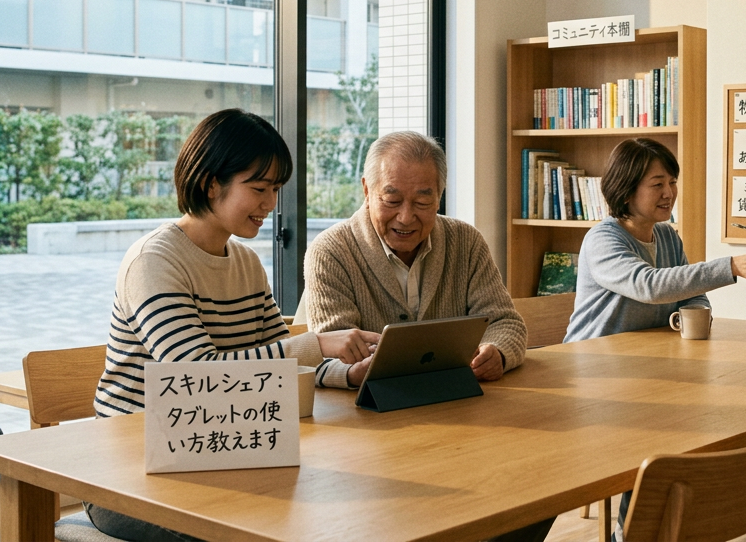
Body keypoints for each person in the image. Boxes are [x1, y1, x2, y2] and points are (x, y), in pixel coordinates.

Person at [91, 109, 380, 541]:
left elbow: (280, 362)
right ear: (211, 183)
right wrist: (319, 344)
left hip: (223, 448)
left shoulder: (245, 262)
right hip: (134, 471)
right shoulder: (154, 260)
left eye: (276, 189)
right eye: (259, 188)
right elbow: (194, 371)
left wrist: (346, 371)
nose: (270, 203)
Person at [301, 131, 548, 542]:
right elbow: (331, 351)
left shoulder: (465, 241)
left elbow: (506, 322)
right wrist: (359, 366)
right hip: (369, 438)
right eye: (392, 199)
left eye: (423, 202)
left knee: (533, 491)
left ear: (441, 196)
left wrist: (497, 353)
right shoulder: (330, 251)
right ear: (367, 190)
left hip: (462, 420)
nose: (406, 217)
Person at [563, 138, 746, 343]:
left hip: (644, 357)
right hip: (590, 363)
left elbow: (693, 295)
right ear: (626, 191)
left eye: (672, 182)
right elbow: (649, 285)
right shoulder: (602, 240)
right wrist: (732, 267)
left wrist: (694, 317)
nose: (669, 193)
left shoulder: (667, 234)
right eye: (657, 185)